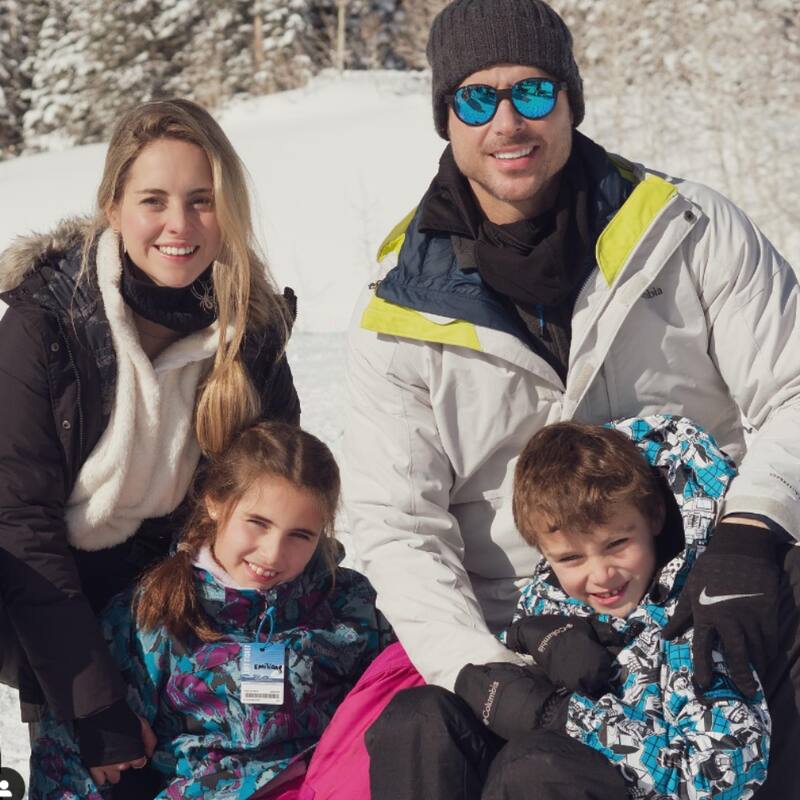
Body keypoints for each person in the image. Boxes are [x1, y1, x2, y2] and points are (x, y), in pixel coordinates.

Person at [343, 0, 800, 796]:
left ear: (571, 99)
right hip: (520, 632)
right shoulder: (401, 310)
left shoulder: (689, 231)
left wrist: (751, 535)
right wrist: (478, 668)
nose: (507, 122)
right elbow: (396, 524)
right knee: (422, 730)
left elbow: (793, 388)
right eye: (477, 98)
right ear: (446, 118)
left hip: (699, 596)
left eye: (533, 91)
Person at [0, 99, 299, 792]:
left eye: (202, 201)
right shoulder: (47, 323)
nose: (180, 225)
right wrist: (95, 707)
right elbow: (20, 524)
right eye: (154, 200)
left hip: (183, 595)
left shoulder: (249, 328)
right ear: (113, 206)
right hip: (56, 597)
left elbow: (282, 495)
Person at [396, 416, 769, 800]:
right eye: (572, 558)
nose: (601, 574)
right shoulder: (547, 605)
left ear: (654, 516)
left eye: (617, 544)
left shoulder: (698, 610)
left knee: (535, 767)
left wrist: (560, 716)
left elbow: (722, 773)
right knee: (420, 716)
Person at [28, 421, 392, 800]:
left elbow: (400, 694)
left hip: (328, 781)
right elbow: (72, 748)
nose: (272, 554)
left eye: (299, 536)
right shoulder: (159, 612)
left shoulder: (347, 604)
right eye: (258, 524)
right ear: (216, 502)